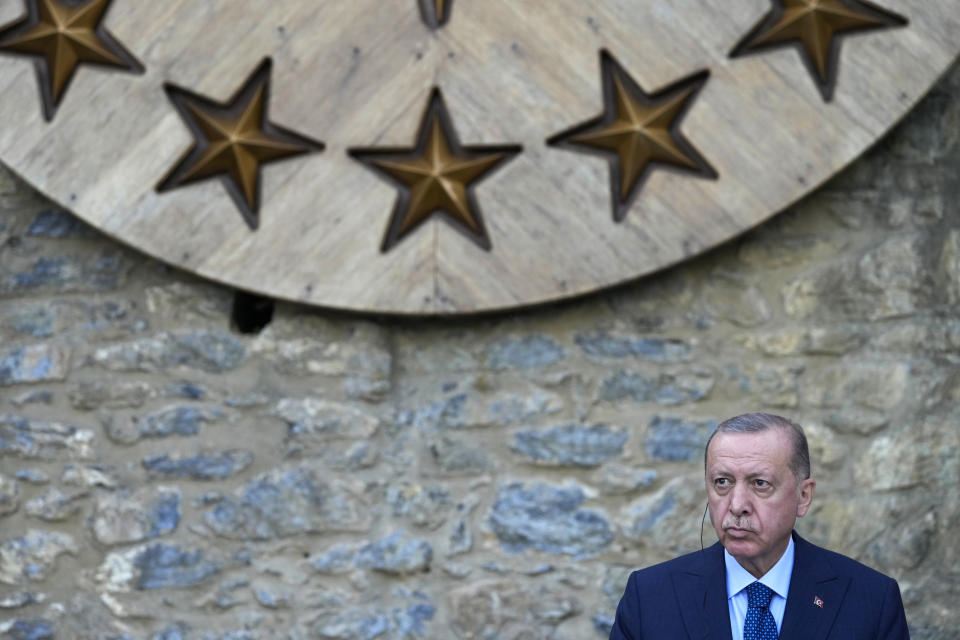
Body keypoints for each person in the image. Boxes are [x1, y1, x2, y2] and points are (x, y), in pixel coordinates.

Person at [608, 412, 909, 640]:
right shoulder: (650, 597)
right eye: (722, 482)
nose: (737, 504)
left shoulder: (870, 600)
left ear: (803, 497)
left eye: (760, 483)